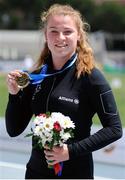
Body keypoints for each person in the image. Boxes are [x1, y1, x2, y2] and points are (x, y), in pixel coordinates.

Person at [5, 4, 122, 179]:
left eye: (67, 32)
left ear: (79, 35)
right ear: (45, 35)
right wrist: (14, 95)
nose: (60, 37)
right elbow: (14, 130)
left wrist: (70, 151)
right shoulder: (36, 77)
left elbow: (114, 129)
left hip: (76, 174)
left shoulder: (91, 77)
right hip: (35, 173)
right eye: (53, 31)